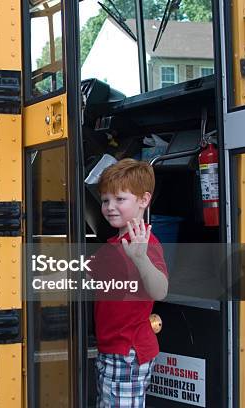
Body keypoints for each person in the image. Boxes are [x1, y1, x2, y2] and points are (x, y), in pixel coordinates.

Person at [90, 158, 168, 407]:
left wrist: (141, 259)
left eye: (120, 199)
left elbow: (160, 290)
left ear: (143, 200)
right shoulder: (113, 246)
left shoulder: (144, 245)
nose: (110, 207)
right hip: (112, 349)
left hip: (128, 352)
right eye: (105, 200)